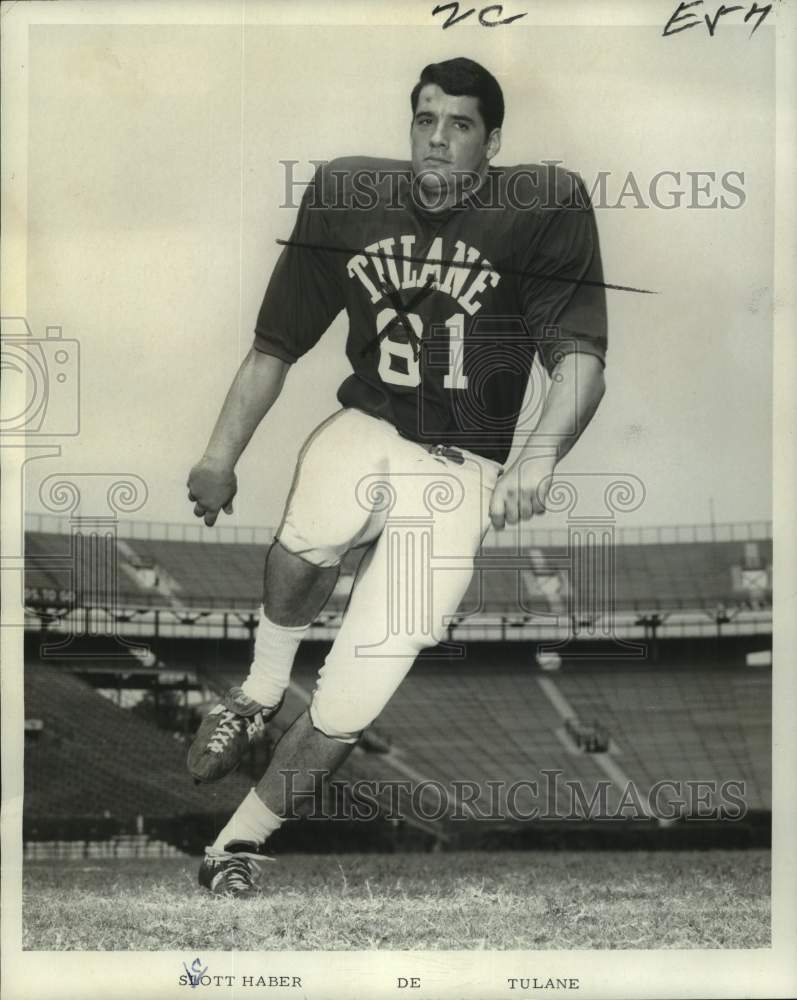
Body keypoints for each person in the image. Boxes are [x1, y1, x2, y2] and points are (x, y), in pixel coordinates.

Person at [186, 56, 607, 895]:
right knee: (323, 500)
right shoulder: (346, 193)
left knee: (353, 699)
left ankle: (233, 847)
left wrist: (538, 453)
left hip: (462, 472)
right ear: (408, 126)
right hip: (372, 423)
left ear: (491, 141)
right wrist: (218, 455)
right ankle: (259, 693)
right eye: (425, 120)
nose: (438, 141)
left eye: (459, 125)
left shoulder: (544, 207)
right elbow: (275, 346)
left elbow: (581, 362)